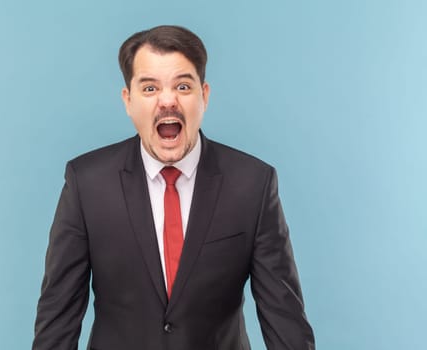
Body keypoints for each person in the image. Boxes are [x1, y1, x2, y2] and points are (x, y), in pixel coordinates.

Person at [32, 25, 315, 350]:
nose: (168, 100)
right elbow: (57, 320)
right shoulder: (86, 183)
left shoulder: (253, 183)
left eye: (182, 86)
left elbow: (285, 321)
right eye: (150, 89)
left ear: (204, 95)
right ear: (128, 100)